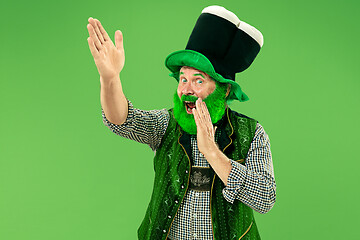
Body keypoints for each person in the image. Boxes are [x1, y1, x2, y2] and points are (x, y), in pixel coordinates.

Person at [87, 5, 276, 240]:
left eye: (198, 81)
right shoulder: (166, 124)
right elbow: (122, 120)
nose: (186, 90)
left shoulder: (252, 133)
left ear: (224, 89)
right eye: (183, 79)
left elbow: (265, 197)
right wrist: (110, 78)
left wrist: (211, 152)